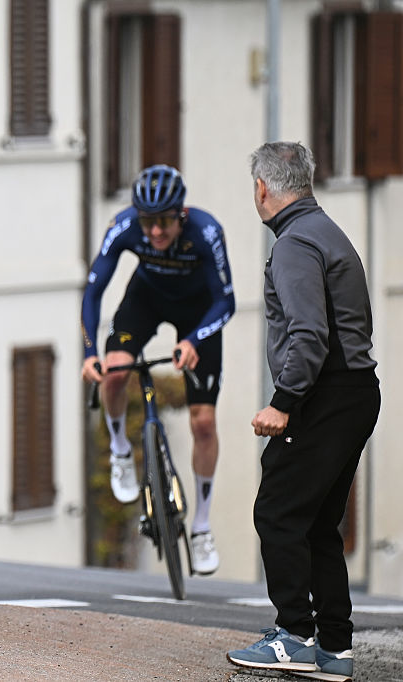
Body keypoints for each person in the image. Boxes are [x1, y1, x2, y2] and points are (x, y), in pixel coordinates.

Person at [227, 142, 379, 682]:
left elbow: (310, 334)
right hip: (357, 391)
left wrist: (283, 403)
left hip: (323, 395)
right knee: (317, 523)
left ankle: (294, 636)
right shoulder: (328, 230)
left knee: (277, 511)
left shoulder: (295, 243)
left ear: (262, 188)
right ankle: (334, 649)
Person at [80, 164, 235, 575]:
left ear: (180, 214)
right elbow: (93, 290)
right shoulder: (124, 226)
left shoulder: (206, 232)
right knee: (114, 372)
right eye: (148, 223)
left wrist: (193, 341)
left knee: (203, 423)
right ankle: (120, 451)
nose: (156, 233)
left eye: (164, 222)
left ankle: (200, 527)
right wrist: (90, 351)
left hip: (199, 314)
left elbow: (227, 302)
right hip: (146, 300)